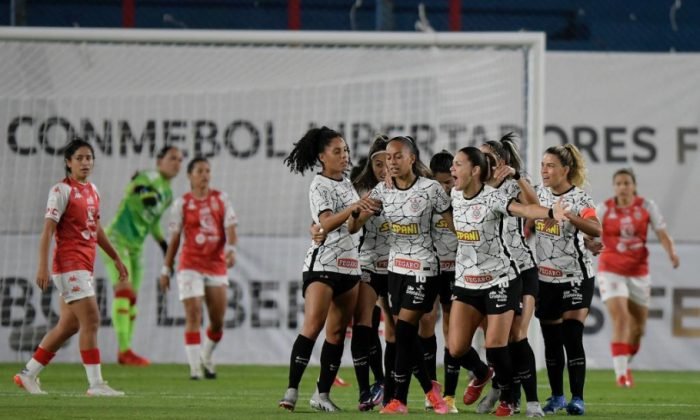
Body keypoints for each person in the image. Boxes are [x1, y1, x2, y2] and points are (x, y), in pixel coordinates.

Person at [445, 146, 567, 416]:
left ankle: (524, 400)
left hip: (509, 274)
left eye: (458, 164)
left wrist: (549, 213)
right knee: (456, 347)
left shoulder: (500, 194)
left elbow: (527, 208)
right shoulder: (455, 193)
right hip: (468, 280)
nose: (453, 170)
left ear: (479, 167)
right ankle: (489, 378)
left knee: (510, 339)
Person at [14, 139, 128, 396]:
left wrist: (115, 257)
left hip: (84, 265)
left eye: (89, 157)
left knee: (69, 326)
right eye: (79, 158)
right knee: (92, 320)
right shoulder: (61, 191)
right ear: (68, 162)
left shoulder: (92, 190)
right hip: (68, 265)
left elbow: (95, 228)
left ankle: (28, 374)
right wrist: (42, 267)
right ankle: (96, 384)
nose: (86, 162)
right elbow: (47, 231)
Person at [278, 126, 377, 412]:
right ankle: (291, 391)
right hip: (322, 265)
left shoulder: (346, 184)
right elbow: (326, 224)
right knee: (313, 325)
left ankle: (321, 395)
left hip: (349, 267)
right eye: (337, 151)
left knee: (336, 334)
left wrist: (362, 215)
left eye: (345, 150)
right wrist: (354, 208)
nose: (344, 155)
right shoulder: (318, 185)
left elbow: (349, 226)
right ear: (322, 156)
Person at [357, 136, 451, 415]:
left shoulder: (431, 189)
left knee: (407, 329)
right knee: (401, 335)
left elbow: (454, 224)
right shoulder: (382, 191)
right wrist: (360, 212)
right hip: (395, 269)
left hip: (424, 268)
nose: (391, 162)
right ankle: (429, 388)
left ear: (412, 158)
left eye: (398, 156)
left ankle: (397, 399)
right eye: (388, 157)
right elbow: (353, 226)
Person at [477, 135, 544, 417]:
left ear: (500, 162)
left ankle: (532, 402)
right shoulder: (472, 186)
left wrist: (517, 176)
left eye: (487, 157)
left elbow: (536, 206)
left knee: (518, 334)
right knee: (494, 339)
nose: (481, 162)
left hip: (521, 269)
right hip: (487, 273)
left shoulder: (509, 187)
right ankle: (502, 388)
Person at [593, 168, 679, 387]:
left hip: (639, 272)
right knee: (621, 318)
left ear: (633, 186)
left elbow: (661, 232)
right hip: (610, 268)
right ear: (614, 187)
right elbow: (590, 232)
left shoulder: (646, 206)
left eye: (626, 183)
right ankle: (621, 375)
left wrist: (672, 252)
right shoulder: (604, 209)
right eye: (619, 183)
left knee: (638, 328)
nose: (622, 187)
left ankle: (624, 362)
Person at [535, 144, 601, 416]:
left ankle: (577, 399)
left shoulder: (581, 199)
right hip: (545, 278)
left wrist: (570, 217)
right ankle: (557, 396)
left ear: (565, 170)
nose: (544, 170)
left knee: (572, 336)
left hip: (576, 276)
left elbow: (596, 228)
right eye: (542, 165)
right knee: (551, 341)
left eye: (550, 165)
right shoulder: (538, 196)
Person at [159, 157, 238, 380]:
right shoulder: (181, 204)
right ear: (190, 175)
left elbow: (231, 228)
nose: (205, 175)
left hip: (216, 265)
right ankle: (194, 369)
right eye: (200, 171)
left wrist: (231, 250)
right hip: (190, 264)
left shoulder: (221, 199)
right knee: (193, 314)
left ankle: (206, 355)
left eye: (208, 171)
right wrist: (166, 268)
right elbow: (174, 239)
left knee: (217, 321)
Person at [103, 145, 183, 366]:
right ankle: (124, 349)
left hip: (136, 247)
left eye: (180, 160)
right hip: (116, 240)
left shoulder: (168, 194)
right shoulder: (149, 176)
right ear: (159, 161)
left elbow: (153, 221)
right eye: (172, 158)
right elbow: (134, 189)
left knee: (133, 299)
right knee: (124, 292)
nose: (177, 163)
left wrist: (163, 244)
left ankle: (125, 351)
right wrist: (143, 192)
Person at [348, 135, 391, 411]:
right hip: (368, 263)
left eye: (387, 161)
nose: (383, 167)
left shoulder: (413, 189)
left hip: (401, 265)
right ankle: (366, 390)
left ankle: (393, 385)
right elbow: (349, 225)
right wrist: (360, 210)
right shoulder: (360, 191)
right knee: (362, 326)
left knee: (401, 331)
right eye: (377, 163)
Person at [417, 150, 458, 413]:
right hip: (431, 269)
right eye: (440, 182)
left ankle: (451, 395)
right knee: (426, 324)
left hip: (457, 271)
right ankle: (431, 391)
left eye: (449, 182)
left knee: (452, 331)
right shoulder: (425, 199)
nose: (445, 188)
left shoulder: (463, 198)